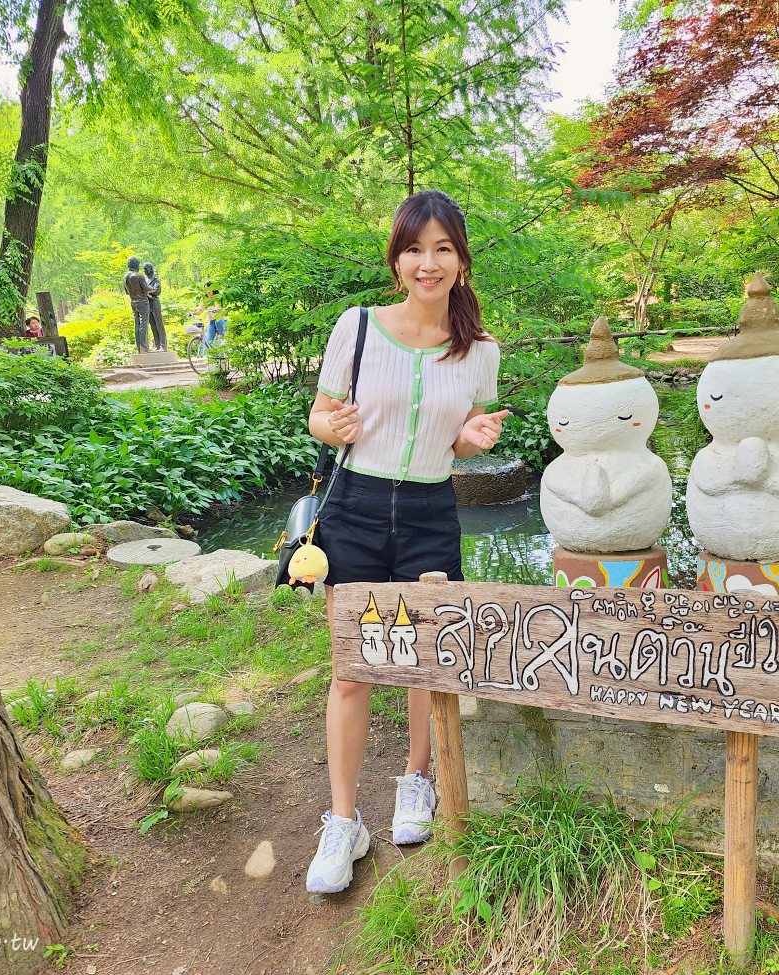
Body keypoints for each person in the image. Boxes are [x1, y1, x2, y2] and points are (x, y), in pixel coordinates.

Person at [304, 189, 509, 894]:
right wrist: (332, 428)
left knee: (425, 662)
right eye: (414, 249)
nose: (428, 262)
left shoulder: (480, 350)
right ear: (397, 259)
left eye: (442, 248)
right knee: (353, 669)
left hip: (428, 510)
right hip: (355, 508)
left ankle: (415, 780)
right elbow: (319, 416)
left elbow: (457, 432)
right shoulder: (358, 325)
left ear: (460, 260)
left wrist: (468, 438)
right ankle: (342, 821)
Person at [123, 256, 155, 352]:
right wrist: (154, 289)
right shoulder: (138, 276)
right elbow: (146, 289)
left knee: (137, 324)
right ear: (135, 264)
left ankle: (138, 347)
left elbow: (127, 292)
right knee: (143, 325)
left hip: (133, 302)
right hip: (142, 302)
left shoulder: (125, 277)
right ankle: (144, 347)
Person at [143, 262, 167, 352]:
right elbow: (144, 290)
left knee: (159, 324)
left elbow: (157, 291)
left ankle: (163, 346)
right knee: (152, 325)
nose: (144, 270)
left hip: (155, 302)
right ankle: (157, 346)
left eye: (146, 268)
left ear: (151, 269)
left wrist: (147, 291)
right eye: (144, 269)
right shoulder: (144, 280)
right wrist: (149, 291)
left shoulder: (156, 279)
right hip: (147, 303)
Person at [199, 283, 227, 350]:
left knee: (218, 322)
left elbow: (218, 307)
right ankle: (215, 353)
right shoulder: (205, 300)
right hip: (212, 323)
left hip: (221, 320)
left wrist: (215, 310)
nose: (207, 291)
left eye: (209, 289)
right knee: (208, 341)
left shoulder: (218, 297)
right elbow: (200, 311)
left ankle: (223, 341)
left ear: (213, 289)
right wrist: (192, 313)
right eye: (206, 289)